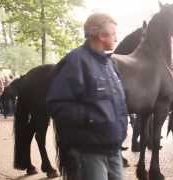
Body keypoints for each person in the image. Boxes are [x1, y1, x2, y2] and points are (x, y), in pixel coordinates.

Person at [46, 13, 127, 180]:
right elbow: (57, 105)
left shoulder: (110, 64)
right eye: (113, 34)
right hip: (90, 152)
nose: (117, 38)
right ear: (102, 36)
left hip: (114, 149)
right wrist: (92, 119)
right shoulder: (75, 62)